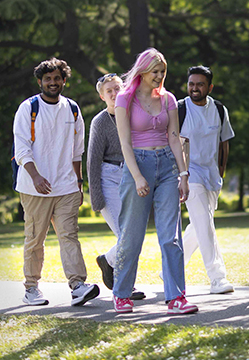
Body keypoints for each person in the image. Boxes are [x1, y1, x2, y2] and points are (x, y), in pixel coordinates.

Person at [112, 48, 198, 314]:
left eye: (163, 72)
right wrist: (137, 176)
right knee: (131, 234)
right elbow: (124, 143)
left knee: (170, 236)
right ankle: (122, 293)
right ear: (142, 71)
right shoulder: (124, 99)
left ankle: (176, 298)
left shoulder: (169, 99)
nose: (160, 76)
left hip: (167, 167)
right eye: (155, 72)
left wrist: (183, 175)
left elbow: (174, 138)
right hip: (137, 164)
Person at [13, 57, 100, 307]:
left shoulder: (72, 108)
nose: (53, 82)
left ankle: (77, 286)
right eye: (48, 79)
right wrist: (36, 176)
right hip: (34, 188)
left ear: (64, 81)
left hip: (66, 187)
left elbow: (76, 151)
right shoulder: (28, 108)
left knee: (69, 236)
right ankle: (31, 288)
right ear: (40, 81)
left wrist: (79, 183)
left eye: (57, 78)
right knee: (35, 239)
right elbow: (22, 149)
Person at [86, 73, 145, 300]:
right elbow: (92, 161)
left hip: (132, 176)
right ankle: (125, 286)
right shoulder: (100, 122)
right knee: (126, 234)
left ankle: (108, 260)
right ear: (102, 96)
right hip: (108, 177)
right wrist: (96, 197)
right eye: (109, 90)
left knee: (134, 234)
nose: (114, 93)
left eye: (117, 88)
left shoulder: (134, 116)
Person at [179, 65, 235, 294]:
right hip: (189, 175)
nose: (195, 88)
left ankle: (172, 267)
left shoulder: (220, 110)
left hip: (212, 175)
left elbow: (224, 142)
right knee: (205, 224)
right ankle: (217, 278)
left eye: (200, 84)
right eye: (191, 84)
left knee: (200, 225)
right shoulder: (179, 108)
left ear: (209, 87)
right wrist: (180, 173)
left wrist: (221, 169)